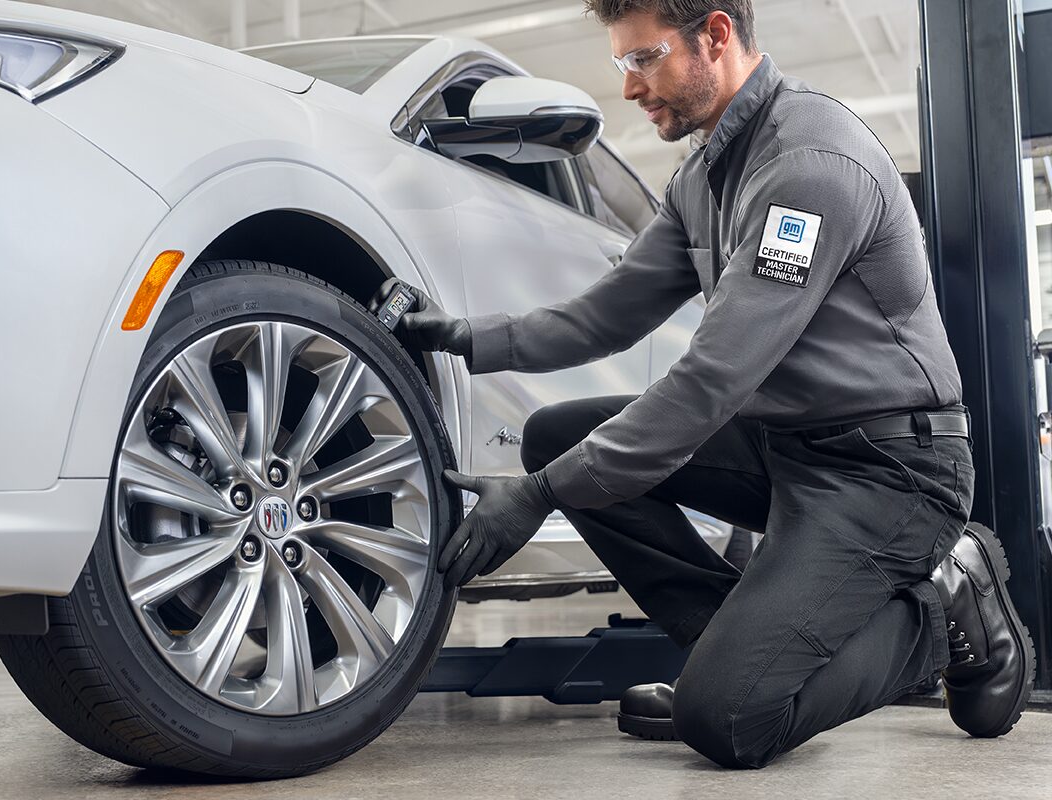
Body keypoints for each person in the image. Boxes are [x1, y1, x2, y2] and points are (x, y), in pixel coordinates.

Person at [369, 0, 1035, 769]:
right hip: (785, 447)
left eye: (643, 59)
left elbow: (711, 381)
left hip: (891, 472)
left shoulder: (810, 167)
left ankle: (944, 592)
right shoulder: (705, 176)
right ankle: (738, 657)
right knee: (559, 435)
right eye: (625, 63)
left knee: (729, 722)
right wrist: (470, 336)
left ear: (716, 36)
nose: (629, 88)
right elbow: (603, 319)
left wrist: (542, 494)